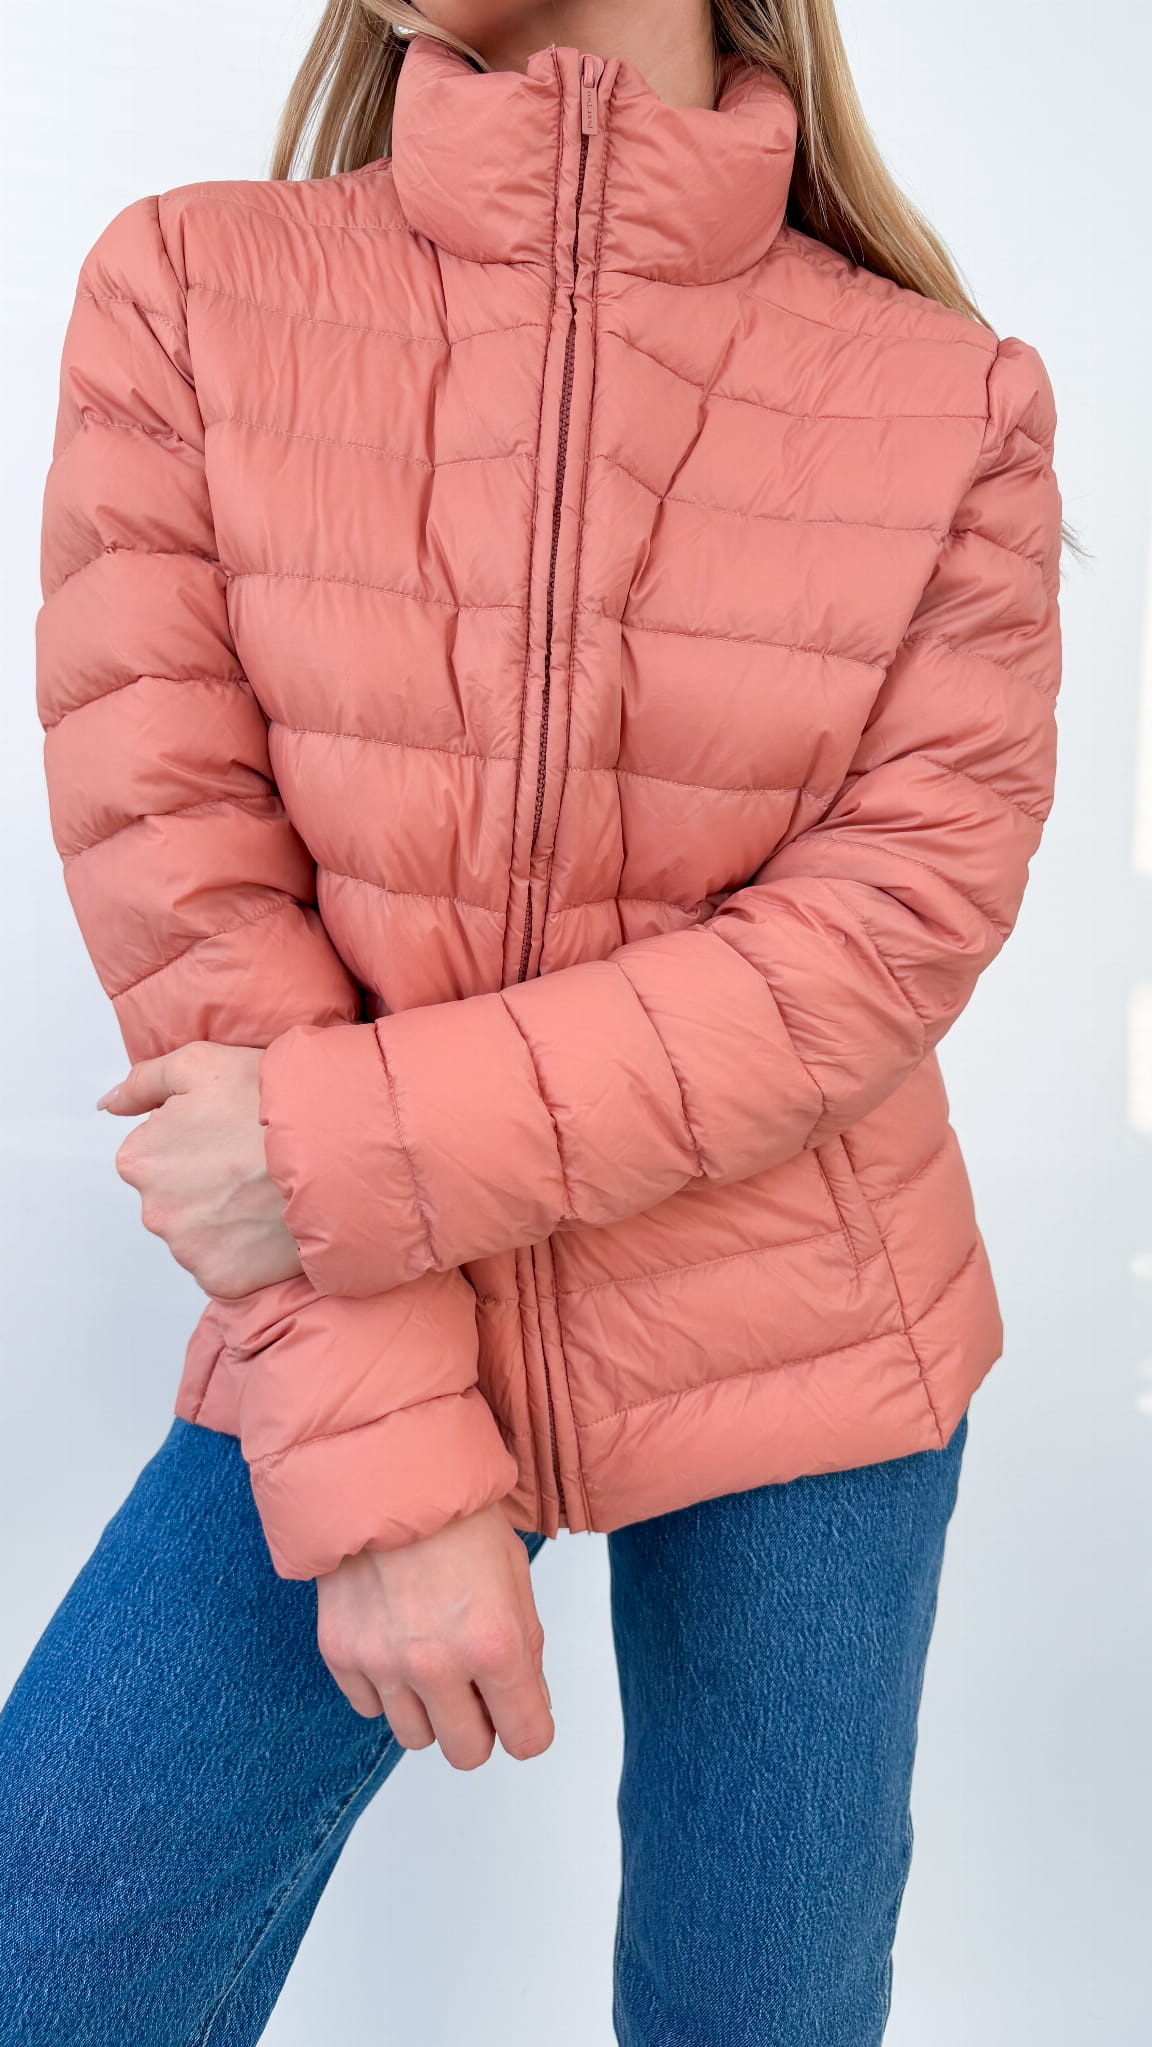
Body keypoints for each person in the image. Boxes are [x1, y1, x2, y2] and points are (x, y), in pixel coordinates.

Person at [0, 0, 1063, 2039]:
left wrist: (335, 1151)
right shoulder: (188, 290)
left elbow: (888, 933)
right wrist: (390, 1471)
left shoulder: (956, 397)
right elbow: (192, 889)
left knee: (765, 2010)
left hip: (814, 1330)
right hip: (354, 1310)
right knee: (52, 1951)